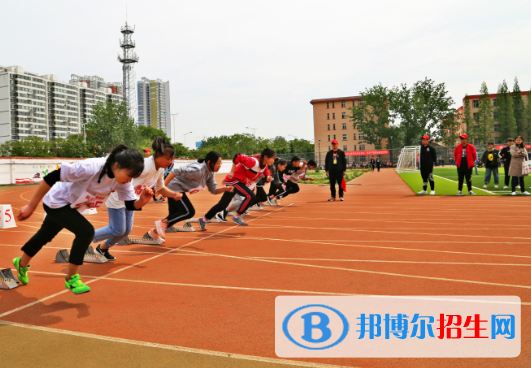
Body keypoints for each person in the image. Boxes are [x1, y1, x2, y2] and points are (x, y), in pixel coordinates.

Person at [12, 145, 152, 294]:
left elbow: (130, 204)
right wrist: (31, 207)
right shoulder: (89, 167)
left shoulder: (122, 180)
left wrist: (141, 202)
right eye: (129, 175)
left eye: (132, 178)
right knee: (86, 232)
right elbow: (51, 177)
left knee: (45, 235)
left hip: (74, 206)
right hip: (57, 201)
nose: (129, 180)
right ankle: (72, 278)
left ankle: (21, 263)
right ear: (117, 165)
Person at [92, 138, 179, 259]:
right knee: (117, 229)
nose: (170, 162)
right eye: (168, 158)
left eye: (172, 159)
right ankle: (85, 237)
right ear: (158, 155)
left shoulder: (160, 170)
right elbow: (123, 172)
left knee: (126, 231)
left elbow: (160, 187)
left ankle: (101, 249)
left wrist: (173, 194)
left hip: (132, 200)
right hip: (118, 197)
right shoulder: (145, 165)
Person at [148, 151, 235, 237]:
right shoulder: (198, 170)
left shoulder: (210, 173)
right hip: (174, 187)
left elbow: (213, 190)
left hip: (178, 188)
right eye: (218, 163)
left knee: (173, 216)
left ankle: (152, 234)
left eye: (221, 163)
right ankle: (162, 223)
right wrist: (163, 187)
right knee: (189, 211)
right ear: (209, 162)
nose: (220, 166)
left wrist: (225, 189)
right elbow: (176, 171)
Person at [198, 148, 275, 230]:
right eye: (272, 158)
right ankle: (237, 216)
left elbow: (266, 175)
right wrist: (232, 171)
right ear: (266, 157)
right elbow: (237, 156)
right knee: (250, 196)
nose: (273, 161)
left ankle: (203, 219)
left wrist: (268, 178)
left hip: (238, 181)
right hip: (234, 180)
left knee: (222, 205)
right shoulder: (253, 162)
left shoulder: (264, 166)